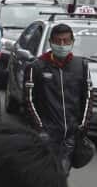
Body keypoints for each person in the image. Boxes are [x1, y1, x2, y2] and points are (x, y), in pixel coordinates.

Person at [26, 24, 90, 174]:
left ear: (72, 41)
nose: (62, 45)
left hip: (70, 135)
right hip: (46, 135)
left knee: (62, 174)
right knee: (43, 174)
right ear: (50, 42)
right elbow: (29, 100)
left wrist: (82, 126)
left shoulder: (81, 66)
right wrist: (39, 127)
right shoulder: (37, 66)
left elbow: (88, 97)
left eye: (66, 41)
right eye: (58, 41)